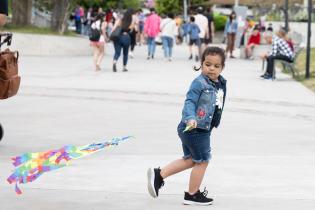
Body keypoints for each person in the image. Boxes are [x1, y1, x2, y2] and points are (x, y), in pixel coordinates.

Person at [147, 47, 227, 206]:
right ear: (202, 64)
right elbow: (190, 102)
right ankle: (192, 194)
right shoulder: (199, 83)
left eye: (216, 66)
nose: (211, 68)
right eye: (208, 64)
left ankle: (159, 175)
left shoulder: (221, 82)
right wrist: (190, 118)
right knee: (203, 161)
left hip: (200, 129)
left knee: (191, 160)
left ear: (222, 67)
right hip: (194, 129)